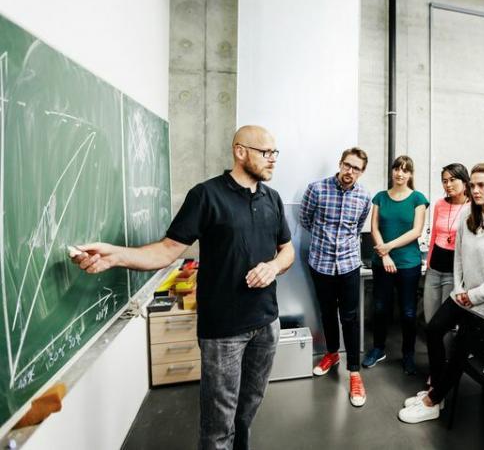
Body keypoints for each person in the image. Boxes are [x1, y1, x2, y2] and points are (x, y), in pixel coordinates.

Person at [71, 125, 295, 450]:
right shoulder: (206, 195)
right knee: (219, 426)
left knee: (247, 413)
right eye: (266, 152)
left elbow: (286, 250)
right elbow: (166, 250)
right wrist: (115, 256)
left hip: (266, 324)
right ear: (240, 151)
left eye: (276, 153)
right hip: (223, 332)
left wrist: (273, 267)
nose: (273, 160)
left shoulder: (272, 198)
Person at [398, 162, 484, 423]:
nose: (475, 190)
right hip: (463, 295)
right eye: (473, 185)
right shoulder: (469, 217)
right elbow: (459, 260)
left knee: (460, 346)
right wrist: (459, 288)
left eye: (482, 185)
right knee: (433, 330)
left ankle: (434, 400)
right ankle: (437, 389)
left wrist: (474, 295)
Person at [299, 147, 371, 407]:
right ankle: (331, 354)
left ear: (362, 172)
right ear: (340, 164)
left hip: (349, 265)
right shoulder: (316, 189)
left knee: (350, 318)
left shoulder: (364, 196)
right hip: (321, 263)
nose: (350, 172)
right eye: (347, 165)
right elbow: (305, 219)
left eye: (357, 168)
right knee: (327, 312)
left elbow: (359, 225)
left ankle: (354, 372)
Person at [362, 155, 429, 375]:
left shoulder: (418, 199)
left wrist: (387, 247)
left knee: (408, 312)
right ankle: (378, 349)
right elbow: (374, 228)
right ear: (392, 171)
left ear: (410, 174)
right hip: (382, 263)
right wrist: (384, 255)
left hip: (408, 263)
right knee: (380, 308)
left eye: (405, 170)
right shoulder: (380, 198)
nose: (400, 173)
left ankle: (408, 354)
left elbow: (416, 231)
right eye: (397, 169)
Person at [423, 163, 470, 323]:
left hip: (454, 272)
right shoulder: (440, 204)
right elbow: (435, 234)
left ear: (465, 182)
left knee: (446, 323)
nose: (448, 185)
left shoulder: (473, 208)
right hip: (434, 270)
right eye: (444, 181)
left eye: (452, 180)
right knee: (430, 320)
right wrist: (428, 263)